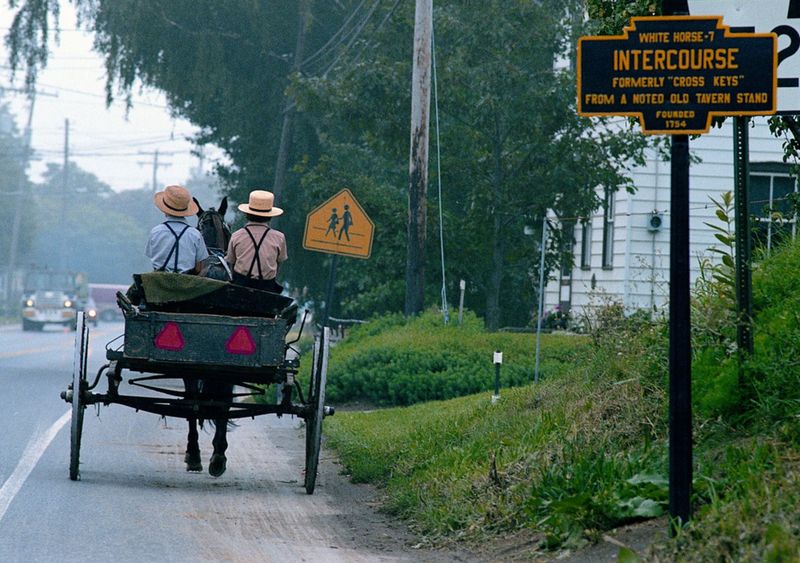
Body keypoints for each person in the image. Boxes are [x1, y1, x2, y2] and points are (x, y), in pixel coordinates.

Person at [225, 189, 287, 293]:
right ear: (270, 216)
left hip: (240, 285)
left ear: (247, 214)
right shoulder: (279, 237)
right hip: (267, 287)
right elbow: (279, 263)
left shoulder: (236, 236)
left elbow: (231, 262)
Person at [145, 184, 209, 274]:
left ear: (165, 210)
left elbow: (151, 255)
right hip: (187, 283)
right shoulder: (195, 234)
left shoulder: (155, 232)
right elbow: (199, 268)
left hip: (159, 281)